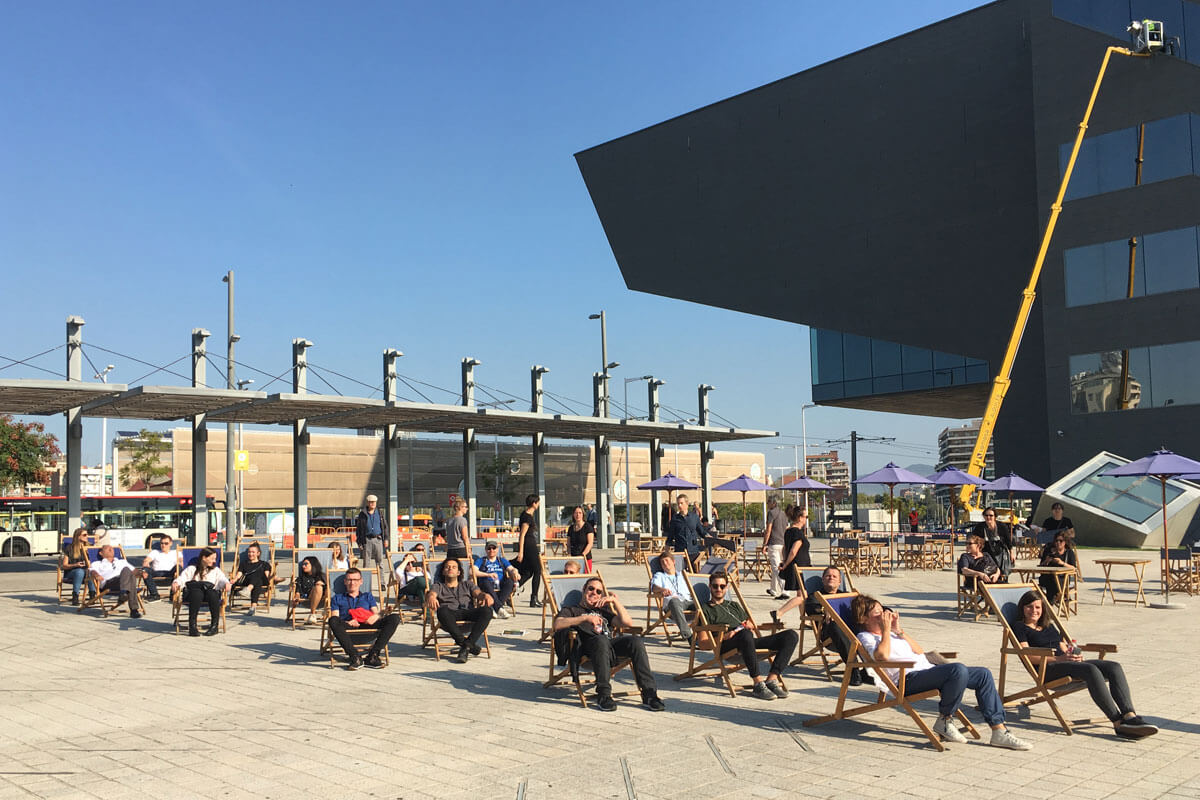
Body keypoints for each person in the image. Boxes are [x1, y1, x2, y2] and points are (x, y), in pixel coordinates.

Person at [851, 594, 1032, 749]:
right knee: (957, 670)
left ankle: (999, 730)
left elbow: (919, 651)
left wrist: (898, 631)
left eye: (883, 611)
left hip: (927, 671)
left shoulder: (891, 633)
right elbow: (881, 656)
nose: (883, 616)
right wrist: (886, 630)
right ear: (863, 619)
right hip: (906, 679)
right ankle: (945, 720)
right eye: (877, 614)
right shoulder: (865, 637)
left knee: (983, 674)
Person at [1012, 591, 1156, 739]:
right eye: (1029, 607)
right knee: (1091, 670)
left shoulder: (1048, 625)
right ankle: (1118, 723)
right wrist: (1059, 659)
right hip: (1047, 670)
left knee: (1114, 667)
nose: (1034, 611)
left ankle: (1130, 716)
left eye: (1038, 607)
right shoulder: (1020, 627)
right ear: (1022, 608)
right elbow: (1028, 656)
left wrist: (1073, 653)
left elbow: (1061, 645)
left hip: (1065, 663)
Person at [553, 575, 665, 712]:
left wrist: (614, 601)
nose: (594, 593)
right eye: (591, 589)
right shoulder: (572, 610)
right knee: (600, 640)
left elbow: (627, 623)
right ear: (584, 589)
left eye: (599, 591)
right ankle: (604, 695)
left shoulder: (603, 611)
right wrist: (585, 618)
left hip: (609, 650)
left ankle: (649, 695)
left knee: (635, 641)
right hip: (588, 651)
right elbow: (557, 624)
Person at [698, 571, 798, 701]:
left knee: (791, 635)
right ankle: (757, 683)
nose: (718, 589)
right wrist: (724, 637)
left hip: (747, 642)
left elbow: (749, 623)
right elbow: (703, 644)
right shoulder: (705, 609)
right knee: (745, 634)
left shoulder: (734, 605)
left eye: (722, 586)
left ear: (727, 587)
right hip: (726, 646)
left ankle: (771, 680)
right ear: (710, 587)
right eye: (715, 586)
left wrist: (749, 624)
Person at [776, 565, 867, 686]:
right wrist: (826, 612)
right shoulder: (814, 597)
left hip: (852, 634)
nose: (831, 578)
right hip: (830, 635)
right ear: (823, 579)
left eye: (835, 576)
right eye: (828, 576)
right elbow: (813, 611)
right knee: (835, 625)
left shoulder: (847, 596)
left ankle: (870, 669)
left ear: (840, 581)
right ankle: (853, 670)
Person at [328, 567, 399, 670]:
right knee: (332, 620)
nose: (352, 583)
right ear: (345, 582)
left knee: (394, 618)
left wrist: (376, 616)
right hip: (348, 630)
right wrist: (347, 622)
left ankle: (373, 656)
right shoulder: (337, 598)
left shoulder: (367, 596)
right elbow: (335, 616)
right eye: (349, 580)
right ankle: (355, 657)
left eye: (355, 580)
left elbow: (376, 613)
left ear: (361, 581)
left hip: (368, 626)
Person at [425, 558, 493, 663]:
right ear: (443, 571)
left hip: (468, 612)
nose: (450, 569)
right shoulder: (438, 586)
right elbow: (432, 593)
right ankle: (468, 645)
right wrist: (431, 597)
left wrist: (486, 595)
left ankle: (466, 645)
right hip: (450, 618)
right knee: (442, 610)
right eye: (447, 567)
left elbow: (478, 594)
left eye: (453, 567)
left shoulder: (467, 584)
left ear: (459, 572)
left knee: (487, 611)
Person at [172, 547, 229, 636]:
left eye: (215, 559)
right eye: (212, 558)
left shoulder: (215, 570)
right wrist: (176, 583)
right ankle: (192, 626)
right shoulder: (191, 569)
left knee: (212, 593)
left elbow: (222, 579)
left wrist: (226, 583)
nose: (214, 561)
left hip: (209, 596)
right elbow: (182, 578)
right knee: (197, 592)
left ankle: (214, 626)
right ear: (204, 558)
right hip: (193, 596)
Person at [88, 544, 145, 618]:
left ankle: (125, 595)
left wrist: (142, 573)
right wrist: (96, 575)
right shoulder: (97, 563)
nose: (111, 549)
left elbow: (135, 571)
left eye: (112, 548)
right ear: (101, 553)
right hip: (108, 583)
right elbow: (91, 571)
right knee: (128, 573)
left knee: (128, 572)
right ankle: (133, 609)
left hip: (124, 583)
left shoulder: (122, 562)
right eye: (108, 548)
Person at [650, 549, 694, 641]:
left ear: (673, 562)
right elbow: (654, 587)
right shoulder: (659, 575)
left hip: (687, 602)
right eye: (662, 562)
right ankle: (689, 636)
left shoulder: (684, 574)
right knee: (674, 601)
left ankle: (709, 634)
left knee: (704, 604)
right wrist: (662, 589)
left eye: (667, 560)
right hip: (672, 607)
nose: (665, 564)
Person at [231, 542, 281, 615]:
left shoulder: (264, 564)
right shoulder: (244, 563)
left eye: (253, 552)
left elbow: (267, 576)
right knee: (258, 581)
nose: (250, 554)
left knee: (258, 576)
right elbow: (239, 574)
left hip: (261, 581)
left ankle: (249, 589)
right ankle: (253, 607)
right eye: (249, 552)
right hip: (247, 581)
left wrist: (273, 578)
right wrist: (234, 579)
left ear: (258, 553)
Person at [473, 540, 519, 619]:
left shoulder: (501, 560)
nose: (491, 550)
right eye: (489, 548)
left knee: (509, 582)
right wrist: (488, 574)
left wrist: (515, 571)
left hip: (500, 583)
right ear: (485, 550)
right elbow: (472, 571)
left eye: (494, 548)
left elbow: (511, 569)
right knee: (486, 582)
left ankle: (494, 607)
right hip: (486, 583)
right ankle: (499, 608)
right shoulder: (481, 560)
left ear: (497, 550)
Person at [511, 494, 542, 608]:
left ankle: (511, 591)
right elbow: (522, 535)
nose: (538, 504)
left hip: (530, 545)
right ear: (534, 503)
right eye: (538, 502)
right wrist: (521, 551)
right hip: (529, 546)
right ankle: (534, 598)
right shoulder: (527, 516)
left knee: (529, 572)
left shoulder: (526, 515)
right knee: (538, 571)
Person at [778, 506, 811, 597]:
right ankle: (780, 611)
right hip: (800, 565)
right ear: (800, 518)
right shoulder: (798, 533)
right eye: (806, 517)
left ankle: (802, 611)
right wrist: (785, 564)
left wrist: (785, 560)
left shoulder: (788, 531)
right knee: (802, 594)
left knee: (801, 593)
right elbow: (793, 551)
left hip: (794, 564)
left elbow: (784, 549)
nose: (806, 519)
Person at [972, 507, 1013, 580]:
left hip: (1000, 554)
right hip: (986, 554)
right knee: (989, 572)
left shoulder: (1002, 526)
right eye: (986, 515)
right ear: (984, 516)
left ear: (995, 517)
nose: (988, 517)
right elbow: (974, 541)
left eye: (991, 515)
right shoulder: (979, 527)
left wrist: (1011, 553)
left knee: (1002, 573)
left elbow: (1008, 541)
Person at [1037, 532, 1077, 604]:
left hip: (1062, 579)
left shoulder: (1069, 553)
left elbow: (1074, 568)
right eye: (1056, 541)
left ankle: (1050, 602)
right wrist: (1046, 561)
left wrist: (1062, 563)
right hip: (1047, 578)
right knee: (1050, 581)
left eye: (1060, 541)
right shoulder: (1048, 551)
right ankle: (1053, 600)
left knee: (1053, 582)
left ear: (1065, 542)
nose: (1058, 543)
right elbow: (1040, 566)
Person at [355, 494, 389, 578]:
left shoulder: (380, 513)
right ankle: (365, 583)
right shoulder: (362, 514)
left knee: (380, 562)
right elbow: (359, 529)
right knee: (366, 563)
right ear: (367, 503)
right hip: (366, 540)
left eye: (374, 502)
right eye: (371, 502)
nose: (372, 504)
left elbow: (385, 527)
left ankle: (382, 583)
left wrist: (386, 539)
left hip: (378, 539)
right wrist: (359, 542)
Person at [763, 497, 789, 598]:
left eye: (768, 502)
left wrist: (765, 544)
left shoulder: (771, 513)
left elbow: (768, 529)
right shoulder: (783, 514)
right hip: (782, 544)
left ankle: (785, 590)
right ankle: (773, 589)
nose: (767, 505)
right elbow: (786, 528)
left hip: (773, 543)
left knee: (776, 567)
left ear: (772, 503)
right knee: (778, 566)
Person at [667, 494, 703, 565]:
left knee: (694, 574)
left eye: (681, 503)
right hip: (680, 551)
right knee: (680, 573)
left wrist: (710, 537)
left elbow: (701, 532)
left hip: (693, 551)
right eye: (678, 504)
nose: (679, 505)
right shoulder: (674, 519)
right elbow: (670, 536)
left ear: (687, 504)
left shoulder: (694, 517)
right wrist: (667, 549)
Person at [141, 535, 178, 602]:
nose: (163, 545)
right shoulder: (155, 552)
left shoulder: (176, 552)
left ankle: (173, 595)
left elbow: (181, 562)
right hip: (156, 573)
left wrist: (179, 568)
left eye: (166, 543)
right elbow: (146, 560)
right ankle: (154, 595)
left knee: (179, 569)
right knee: (145, 570)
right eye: (162, 543)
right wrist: (146, 564)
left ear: (171, 543)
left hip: (170, 573)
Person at [293, 555, 327, 626]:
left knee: (325, 586)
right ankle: (312, 614)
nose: (303, 566)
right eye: (302, 564)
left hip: (323, 600)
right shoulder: (301, 578)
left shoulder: (322, 576)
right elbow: (298, 592)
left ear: (313, 564)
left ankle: (327, 610)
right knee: (318, 587)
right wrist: (296, 597)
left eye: (306, 564)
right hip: (307, 600)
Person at [61, 528, 90, 605]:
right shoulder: (70, 548)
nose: (87, 536)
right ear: (78, 536)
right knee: (79, 571)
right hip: (71, 572)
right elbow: (64, 565)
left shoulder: (90, 547)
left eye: (87, 534)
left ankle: (93, 595)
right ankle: (75, 596)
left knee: (90, 571)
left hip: (86, 571)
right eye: (84, 535)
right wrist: (76, 565)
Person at [565, 505, 595, 572]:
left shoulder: (588, 527)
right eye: (576, 513)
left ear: (583, 514)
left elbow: (590, 544)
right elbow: (568, 544)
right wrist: (569, 554)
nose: (578, 515)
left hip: (585, 559)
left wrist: (582, 555)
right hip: (573, 559)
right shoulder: (571, 528)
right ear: (573, 514)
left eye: (580, 513)